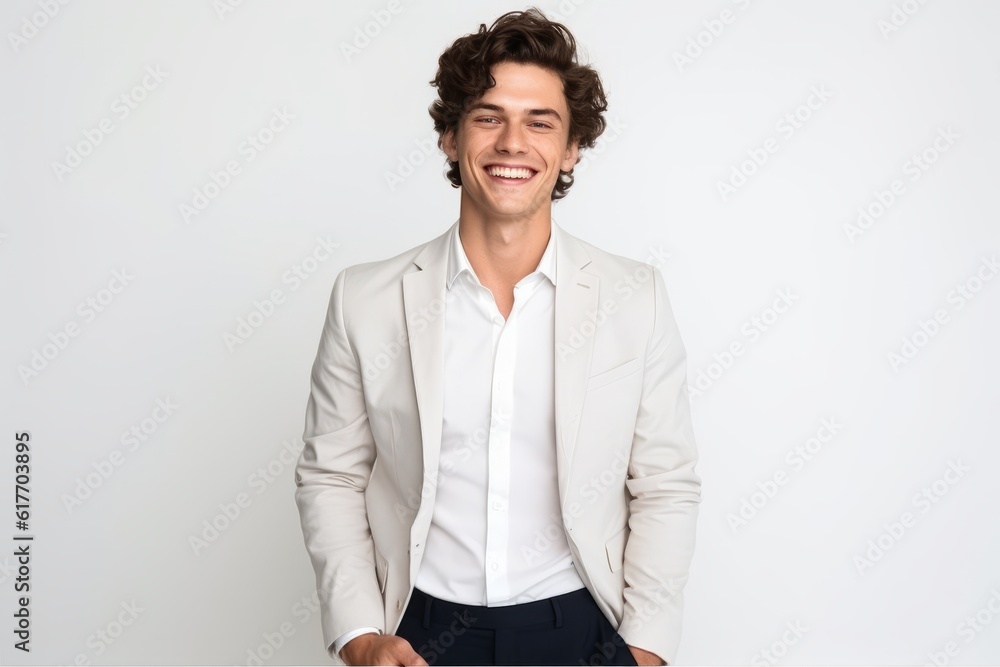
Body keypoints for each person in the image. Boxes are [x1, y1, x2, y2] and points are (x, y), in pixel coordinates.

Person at [294, 8, 701, 666]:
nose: (513, 142)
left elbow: (664, 481)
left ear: (571, 148)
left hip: (581, 626)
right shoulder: (364, 299)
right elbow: (331, 475)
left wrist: (646, 646)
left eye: (540, 121)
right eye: (488, 116)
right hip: (419, 628)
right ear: (451, 138)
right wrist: (359, 634)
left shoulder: (636, 298)